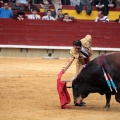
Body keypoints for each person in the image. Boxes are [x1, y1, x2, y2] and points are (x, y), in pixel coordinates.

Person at [58, 34, 92, 106]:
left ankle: (80, 99)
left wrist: (89, 42)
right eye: (75, 48)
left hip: (89, 63)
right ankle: (77, 100)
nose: (76, 50)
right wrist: (63, 71)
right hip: (80, 64)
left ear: (81, 46)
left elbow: (89, 36)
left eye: (78, 48)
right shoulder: (74, 51)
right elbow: (69, 61)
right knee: (79, 80)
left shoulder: (85, 43)